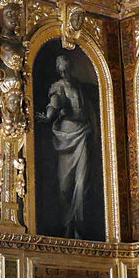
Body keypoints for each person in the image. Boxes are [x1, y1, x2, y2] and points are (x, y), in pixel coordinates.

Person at [37, 54, 99, 239]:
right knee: (65, 185)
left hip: (82, 135)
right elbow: (54, 103)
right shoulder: (58, 87)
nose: (64, 71)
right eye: (61, 69)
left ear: (70, 68)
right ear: (58, 70)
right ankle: (67, 227)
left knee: (83, 182)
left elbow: (86, 108)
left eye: (67, 68)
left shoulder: (79, 86)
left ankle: (79, 227)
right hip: (66, 136)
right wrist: (49, 115)